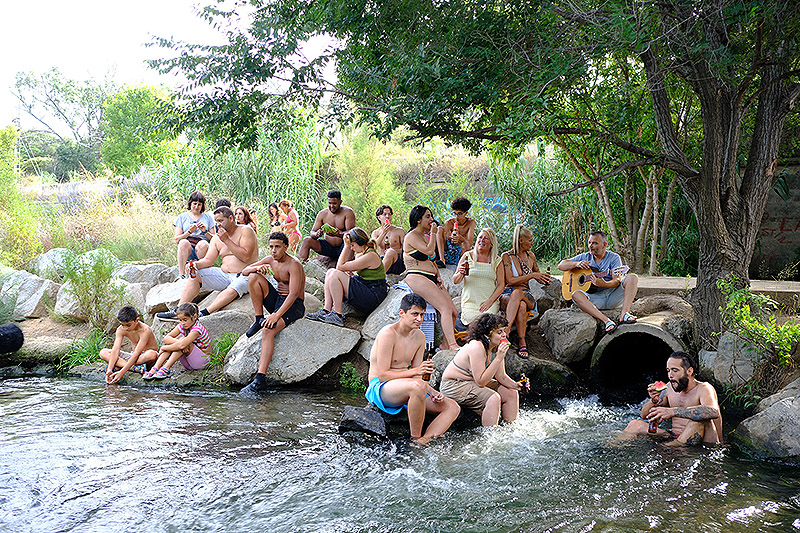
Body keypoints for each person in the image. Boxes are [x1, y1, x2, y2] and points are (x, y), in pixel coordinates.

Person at [365, 293, 461, 444]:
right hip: (381, 387)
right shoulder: (387, 334)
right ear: (402, 313)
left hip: (408, 385)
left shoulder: (419, 337)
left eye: (422, 315)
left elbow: (418, 377)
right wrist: (416, 372)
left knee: (452, 407)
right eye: (415, 314)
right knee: (416, 387)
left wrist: (432, 392)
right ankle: (414, 437)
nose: (419, 319)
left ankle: (423, 440)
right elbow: (383, 375)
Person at [157, 206, 259, 319]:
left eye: (221, 221)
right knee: (196, 275)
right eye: (216, 221)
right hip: (225, 275)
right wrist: (195, 265)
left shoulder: (245, 231)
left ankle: (204, 313)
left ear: (231, 218)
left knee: (237, 285)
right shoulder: (217, 238)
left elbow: (245, 256)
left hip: (245, 274)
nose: (218, 224)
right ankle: (179, 310)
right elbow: (208, 261)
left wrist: (226, 240)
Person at [240, 231, 306, 394]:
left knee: (268, 330)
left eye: (277, 247)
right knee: (253, 277)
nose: (273, 250)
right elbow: (244, 271)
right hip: (277, 300)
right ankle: (258, 318)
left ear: (286, 247)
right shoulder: (270, 260)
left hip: (293, 305)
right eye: (271, 247)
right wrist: (257, 267)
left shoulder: (294, 264)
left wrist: (276, 315)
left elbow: (294, 294)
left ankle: (260, 379)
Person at [622, 352, 722, 445]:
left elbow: (713, 412)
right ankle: (612, 447)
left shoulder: (704, 388)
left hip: (701, 440)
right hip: (674, 436)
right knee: (635, 424)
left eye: (675, 370)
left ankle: (668, 450)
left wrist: (673, 411)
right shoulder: (669, 387)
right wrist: (654, 400)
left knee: (699, 420)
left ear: (689, 371)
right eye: (668, 370)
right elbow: (644, 415)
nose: (670, 375)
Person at [440, 313, 521, 426]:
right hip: (454, 385)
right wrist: (498, 358)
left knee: (511, 393)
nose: (504, 335)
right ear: (487, 335)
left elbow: (501, 376)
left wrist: (516, 385)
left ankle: (509, 429)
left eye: (504, 331)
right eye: (499, 332)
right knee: (493, 398)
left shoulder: (495, 346)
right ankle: (490, 436)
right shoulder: (476, 347)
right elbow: (481, 382)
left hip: (473, 382)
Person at [557, 230, 639, 334]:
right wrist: (576, 264)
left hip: (612, 296)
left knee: (633, 277)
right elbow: (561, 265)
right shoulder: (585, 257)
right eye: (590, 242)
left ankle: (625, 314)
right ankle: (607, 321)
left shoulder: (614, 258)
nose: (591, 246)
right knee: (575, 294)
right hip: (594, 299)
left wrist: (604, 284)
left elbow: (617, 280)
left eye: (595, 243)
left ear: (604, 245)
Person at [403, 205, 460, 349]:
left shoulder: (425, 236)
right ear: (418, 220)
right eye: (427, 216)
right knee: (445, 309)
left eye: (431, 216)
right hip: (417, 276)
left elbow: (432, 259)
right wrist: (434, 232)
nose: (431, 219)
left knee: (453, 311)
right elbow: (429, 251)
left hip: (432, 276)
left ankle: (445, 345)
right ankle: (453, 345)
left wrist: (439, 276)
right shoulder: (411, 236)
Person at [306, 228, 388, 327]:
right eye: (351, 246)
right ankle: (326, 310)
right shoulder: (362, 254)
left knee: (335, 273)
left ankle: (337, 314)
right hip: (367, 288)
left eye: (352, 245)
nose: (352, 248)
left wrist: (346, 246)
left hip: (374, 295)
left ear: (360, 242)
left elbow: (340, 267)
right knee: (330, 272)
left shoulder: (371, 255)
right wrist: (352, 276)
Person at [500, 225, 552, 358]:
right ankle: (522, 341)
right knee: (520, 305)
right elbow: (510, 280)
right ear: (520, 240)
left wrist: (544, 279)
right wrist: (531, 275)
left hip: (526, 294)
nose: (532, 243)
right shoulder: (506, 256)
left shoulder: (531, 256)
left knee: (518, 294)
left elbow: (537, 275)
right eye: (530, 240)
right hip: (508, 295)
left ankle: (506, 330)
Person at [453, 228, 506, 326]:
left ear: (491, 244)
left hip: (488, 302)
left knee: (488, 321)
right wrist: (460, 273)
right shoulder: (467, 256)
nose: (481, 240)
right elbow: (455, 280)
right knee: (473, 320)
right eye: (480, 237)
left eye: (486, 238)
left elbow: (501, 285)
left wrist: (490, 302)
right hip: (470, 302)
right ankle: (477, 341)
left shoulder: (497, 261)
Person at [143, 303, 211, 380]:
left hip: (202, 362)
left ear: (195, 316)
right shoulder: (183, 326)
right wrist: (177, 343)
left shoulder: (197, 329)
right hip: (188, 364)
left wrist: (164, 348)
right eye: (180, 320)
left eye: (185, 320)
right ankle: (154, 369)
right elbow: (166, 338)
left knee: (183, 342)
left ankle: (166, 368)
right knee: (181, 341)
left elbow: (182, 345)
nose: (182, 323)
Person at [99, 306, 158, 384]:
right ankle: (134, 368)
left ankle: (120, 366)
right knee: (103, 352)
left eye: (128, 325)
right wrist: (109, 369)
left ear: (137, 320)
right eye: (122, 325)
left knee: (152, 354)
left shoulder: (145, 330)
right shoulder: (121, 329)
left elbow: (137, 353)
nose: (125, 328)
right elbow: (116, 349)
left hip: (143, 358)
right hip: (133, 357)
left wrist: (122, 372)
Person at [298, 190, 356, 261]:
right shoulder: (322, 214)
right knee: (307, 240)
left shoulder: (348, 212)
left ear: (340, 202)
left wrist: (339, 234)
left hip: (343, 247)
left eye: (334, 203)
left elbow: (352, 233)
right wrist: (316, 234)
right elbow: (312, 232)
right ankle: (300, 265)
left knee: (351, 241)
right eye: (329, 203)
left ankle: (346, 268)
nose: (332, 206)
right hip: (327, 247)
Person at [173, 191, 216, 279]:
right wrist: (189, 232)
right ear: (190, 204)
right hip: (188, 247)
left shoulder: (208, 217)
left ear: (202, 205)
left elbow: (215, 239)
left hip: (202, 246)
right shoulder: (182, 217)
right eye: (194, 204)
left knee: (202, 244)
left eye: (199, 204)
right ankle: (181, 274)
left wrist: (205, 231)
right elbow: (177, 239)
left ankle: (203, 273)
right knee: (183, 242)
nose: (196, 207)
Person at [436, 197, 476, 266]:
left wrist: (460, 238)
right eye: (454, 213)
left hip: (461, 252)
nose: (457, 217)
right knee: (439, 229)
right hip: (448, 252)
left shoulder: (470, 223)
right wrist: (452, 237)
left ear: (466, 213)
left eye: (460, 214)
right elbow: (449, 242)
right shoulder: (449, 223)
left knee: (465, 244)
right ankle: (442, 260)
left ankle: (462, 264)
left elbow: (469, 244)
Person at [371, 204, 406, 274]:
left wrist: (394, 251)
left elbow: (407, 249)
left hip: (396, 263)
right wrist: (384, 232)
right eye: (385, 214)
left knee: (390, 252)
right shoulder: (376, 233)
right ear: (379, 217)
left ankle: (377, 276)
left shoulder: (399, 231)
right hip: (381, 260)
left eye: (389, 214)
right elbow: (372, 247)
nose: (387, 217)